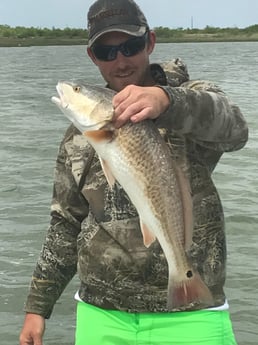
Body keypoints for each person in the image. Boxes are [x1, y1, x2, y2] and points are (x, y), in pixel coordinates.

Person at [19, 0, 248, 344]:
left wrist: (166, 101)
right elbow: (65, 223)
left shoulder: (190, 98)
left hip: (192, 314)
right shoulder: (78, 136)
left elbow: (235, 129)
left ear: (150, 42)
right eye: (106, 51)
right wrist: (37, 308)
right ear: (92, 56)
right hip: (102, 313)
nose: (121, 60)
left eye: (131, 46)